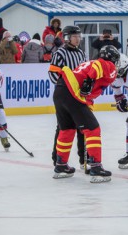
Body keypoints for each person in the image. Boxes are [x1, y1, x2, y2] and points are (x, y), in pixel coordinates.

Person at [51, 44, 119, 183]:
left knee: (67, 130)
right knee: (93, 129)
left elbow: (87, 95)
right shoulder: (107, 65)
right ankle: (95, 167)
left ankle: (61, 165)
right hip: (72, 94)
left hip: (60, 90)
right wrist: (89, 81)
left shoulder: (88, 63)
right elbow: (98, 67)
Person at [48, 25, 87, 169]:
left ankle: (84, 159)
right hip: (65, 96)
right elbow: (53, 74)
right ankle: (57, 158)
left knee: (83, 126)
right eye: (74, 36)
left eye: (79, 36)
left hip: (79, 95)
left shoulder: (81, 53)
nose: (78, 39)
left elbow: (85, 72)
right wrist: (66, 86)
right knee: (63, 127)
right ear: (67, 38)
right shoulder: (60, 53)